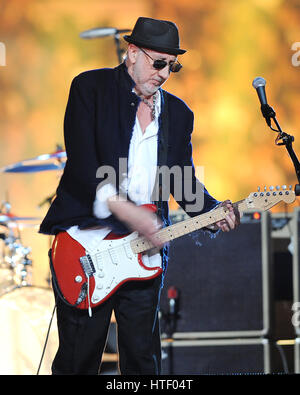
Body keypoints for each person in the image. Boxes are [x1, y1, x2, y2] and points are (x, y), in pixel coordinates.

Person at [39, 16, 239, 375]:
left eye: (172, 66)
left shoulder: (178, 114)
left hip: (144, 255)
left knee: (143, 364)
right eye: (157, 62)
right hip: (86, 245)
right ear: (131, 53)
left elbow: (181, 180)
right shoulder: (91, 88)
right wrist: (127, 211)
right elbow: (84, 165)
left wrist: (214, 210)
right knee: (77, 361)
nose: (164, 73)